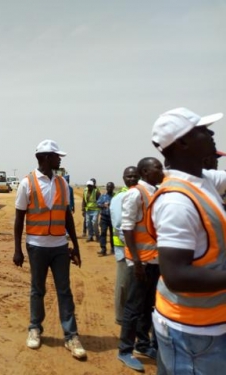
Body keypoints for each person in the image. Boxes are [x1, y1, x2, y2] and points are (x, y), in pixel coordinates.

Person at [147, 107, 226, 375]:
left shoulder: (203, 181)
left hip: (206, 325)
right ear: (182, 142)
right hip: (193, 334)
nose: (211, 133)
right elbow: (177, 276)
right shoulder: (177, 203)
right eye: (202, 130)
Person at [13, 139, 86, 360]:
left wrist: (75, 245)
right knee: (37, 289)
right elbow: (19, 219)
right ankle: (35, 328)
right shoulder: (27, 183)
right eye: (56, 156)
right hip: (36, 247)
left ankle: (71, 336)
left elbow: (67, 217)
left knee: (64, 291)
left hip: (60, 247)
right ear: (44, 157)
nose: (59, 159)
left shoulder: (62, 183)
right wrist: (18, 250)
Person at [117, 157, 164, 372]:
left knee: (148, 307)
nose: (161, 171)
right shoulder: (135, 193)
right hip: (141, 262)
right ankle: (125, 350)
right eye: (157, 168)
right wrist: (136, 261)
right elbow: (127, 228)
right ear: (145, 171)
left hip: (155, 260)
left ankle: (143, 345)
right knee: (133, 308)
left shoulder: (155, 192)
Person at [110, 167, 139, 325]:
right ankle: (121, 317)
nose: (132, 179)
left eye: (135, 176)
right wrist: (132, 250)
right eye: (129, 177)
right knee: (123, 285)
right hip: (124, 250)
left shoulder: (139, 195)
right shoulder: (119, 198)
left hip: (139, 251)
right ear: (123, 178)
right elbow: (120, 227)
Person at [97, 182, 115, 256]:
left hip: (113, 218)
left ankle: (113, 248)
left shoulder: (115, 196)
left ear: (113, 188)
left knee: (112, 234)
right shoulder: (103, 196)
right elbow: (98, 204)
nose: (109, 188)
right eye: (108, 187)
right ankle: (103, 249)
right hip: (104, 217)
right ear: (106, 188)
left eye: (111, 187)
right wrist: (103, 205)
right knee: (103, 233)